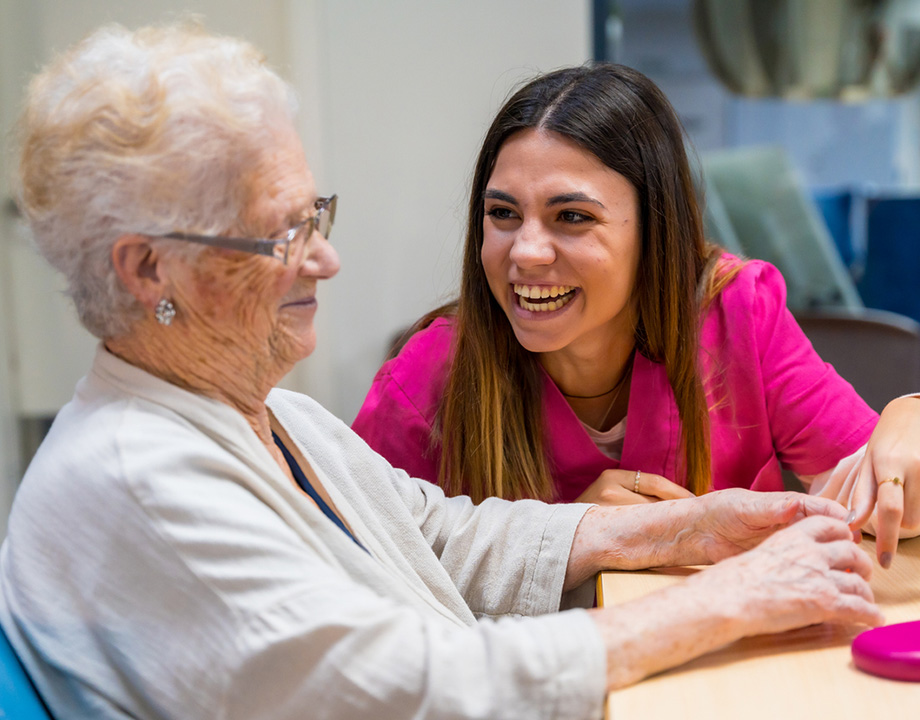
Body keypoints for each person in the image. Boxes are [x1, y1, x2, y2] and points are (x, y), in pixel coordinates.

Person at [0, 23, 883, 720]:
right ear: (147, 271)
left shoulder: (265, 419)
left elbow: (434, 533)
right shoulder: (148, 484)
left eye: (318, 216)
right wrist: (726, 599)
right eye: (282, 235)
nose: (325, 260)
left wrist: (682, 530)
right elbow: (413, 688)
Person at [352, 62, 920, 568]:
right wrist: (563, 543)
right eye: (502, 213)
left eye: (571, 216)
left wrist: (906, 431)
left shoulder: (737, 314)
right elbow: (350, 571)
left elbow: (873, 504)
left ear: (655, 231)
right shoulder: (426, 377)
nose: (524, 251)